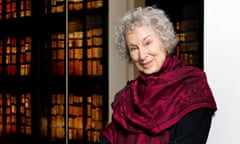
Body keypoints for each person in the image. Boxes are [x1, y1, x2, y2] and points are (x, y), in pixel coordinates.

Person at [100, 6, 217, 144]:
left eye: (148, 43)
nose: (142, 55)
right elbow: (107, 138)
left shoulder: (193, 88)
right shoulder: (127, 96)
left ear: (164, 40)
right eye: (133, 48)